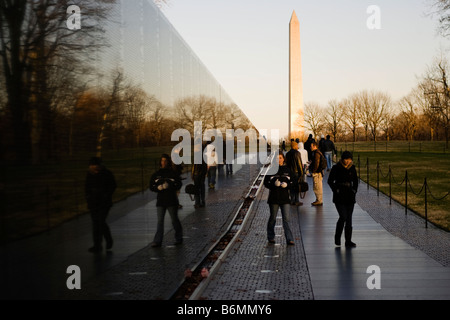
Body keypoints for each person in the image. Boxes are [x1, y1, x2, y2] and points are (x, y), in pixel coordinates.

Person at [149, 154, 183, 247]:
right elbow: (151, 186)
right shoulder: (156, 174)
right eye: (162, 161)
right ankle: (157, 241)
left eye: (165, 161)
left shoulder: (172, 173)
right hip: (161, 200)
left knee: (174, 220)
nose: (163, 163)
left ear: (168, 162)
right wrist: (157, 188)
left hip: (171, 200)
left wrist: (170, 186)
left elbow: (179, 184)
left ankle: (179, 237)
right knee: (160, 221)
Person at [85, 157, 116, 253]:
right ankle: (97, 245)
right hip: (93, 203)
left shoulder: (106, 174)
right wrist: (88, 198)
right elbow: (87, 188)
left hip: (104, 202)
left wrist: (106, 194)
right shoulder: (89, 175)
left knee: (101, 221)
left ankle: (108, 239)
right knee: (95, 224)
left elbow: (113, 185)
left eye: (94, 165)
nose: (93, 167)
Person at [327, 151, 358, 247]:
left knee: (349, 219)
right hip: (339, 195)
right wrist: (335, 190)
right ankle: (337, 237)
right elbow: (330, 181)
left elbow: (356, 181)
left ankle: (348, 240)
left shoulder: (352, 168)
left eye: (349, 160)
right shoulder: (336, 168)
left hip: (350, 195)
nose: (348, 162)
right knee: (343, 216)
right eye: (346, 159)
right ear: (342, 159)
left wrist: (354, 190)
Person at [263, 152, 295, 246]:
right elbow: (266, 183)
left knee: (287, 219)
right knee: (273, 218)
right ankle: (271, 237)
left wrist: (288, 185)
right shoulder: (271, 170)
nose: (279, 160)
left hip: (285, 198)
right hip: (274, 198)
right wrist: (273, 184)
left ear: (283, 159)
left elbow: (294, 182)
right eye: (277, 158)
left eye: (280, 158)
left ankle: (289, 239)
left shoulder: (288, 170)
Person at [285, 141, 304, 206]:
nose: (298, 147)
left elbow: (286, 164)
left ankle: (292, 200)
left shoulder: (287, 154)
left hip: (290, 173)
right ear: (295, 146)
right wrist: (301, 173)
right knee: (296, 187)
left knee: (291, 187)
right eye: (297, 145)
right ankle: (297, 201)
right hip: (296, 173)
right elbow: (299, 164)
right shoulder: (297, 153)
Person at [309, 141, 324, 206]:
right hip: (318, 172)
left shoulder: (316, 153)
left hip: (317, 173)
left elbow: (317, 164)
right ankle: (318, 199)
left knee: (317, 187)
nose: (310, 147)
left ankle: (319, 200)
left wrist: (314, 171)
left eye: (311, 146)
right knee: (317, 186)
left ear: (314, 146)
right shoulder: (317, 152)